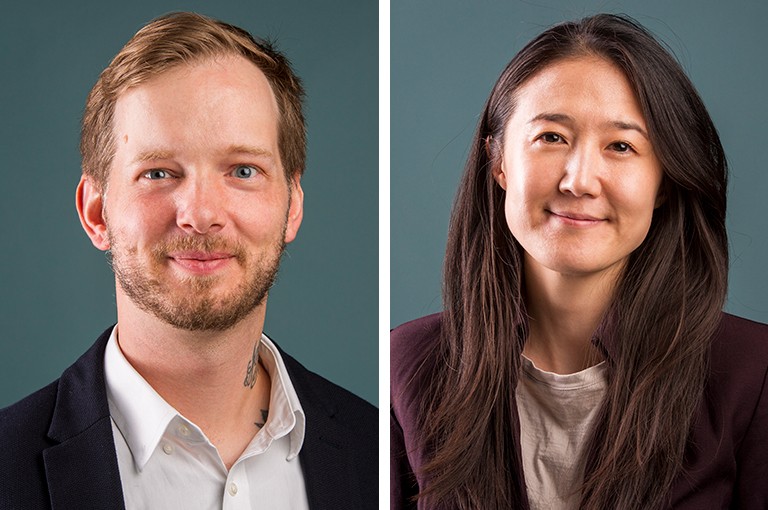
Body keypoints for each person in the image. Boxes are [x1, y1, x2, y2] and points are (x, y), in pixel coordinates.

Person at [391, 13, 768, 510]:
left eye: (621, 146)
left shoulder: (752, 371)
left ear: (663, 183)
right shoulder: (406, 366)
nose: (579, 180)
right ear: (499, 160)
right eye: (551, 137)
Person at [0, 12, 376, 509]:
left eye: (243, 170)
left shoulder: (378, 453)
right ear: (97, 214)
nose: (201, 215)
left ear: (293, 206)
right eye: (158, 173)